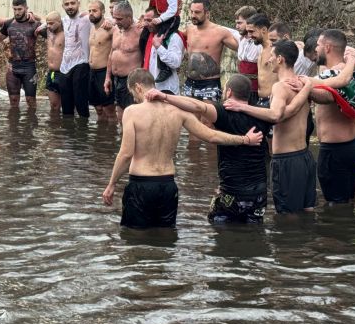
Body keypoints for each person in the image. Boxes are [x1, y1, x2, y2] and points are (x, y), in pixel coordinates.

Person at [101, 69, 263, 229]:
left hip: (141, 185)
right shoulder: (178, 111)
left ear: (137, 87)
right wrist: (245, 139)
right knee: (166, 236)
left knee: (134, 237)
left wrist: (111, 184)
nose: (134, 99)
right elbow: (211, 136)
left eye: (132, 93)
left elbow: (126, 153)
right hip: (168, 185)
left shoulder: (132, 112)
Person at [146, 75, 271, 223]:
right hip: (259, 193)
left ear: (229, 92)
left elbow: (198, 106)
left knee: (219, 227)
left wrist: (165, 96)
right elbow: (279, 114)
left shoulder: (224, 111)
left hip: (233, 191)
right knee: (255, 232)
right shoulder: (265, 114)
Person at [224, 40, 317, 213]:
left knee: (287, 216)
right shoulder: (302, 84)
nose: (269, 61)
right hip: (305, 157)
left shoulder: (280, 87)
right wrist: (308, 88)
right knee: (307, 211)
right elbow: (287, 112)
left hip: (287, 160)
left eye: (272, 56)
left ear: (280, 59)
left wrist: (242, 107)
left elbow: (275, 115)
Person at [310, 30, 355, 205]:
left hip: (335, 151)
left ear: (327, 47)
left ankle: (336, 232)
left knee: (335, 206)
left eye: (318, 45)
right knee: (348, 201)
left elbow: (321, 93)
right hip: (354, 145)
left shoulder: (332, 75)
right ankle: (349, 230)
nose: (315, 49)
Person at [181, 0, 238, 101]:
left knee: (207, 116)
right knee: (187, 116)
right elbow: (174, 37)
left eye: (197, 12)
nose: (193, 15)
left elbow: (241, 48)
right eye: (192, 11)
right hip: (189, 82)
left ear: (207, 13)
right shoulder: (189, 30)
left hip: (209, 84)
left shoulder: (220, 32)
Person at [105, 1, 145, 122]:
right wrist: (107, 77)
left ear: (129, 17)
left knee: (132, 119)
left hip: (131, 81)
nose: (116, 21)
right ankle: (122, 140)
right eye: (114, 18)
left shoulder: (140, 30)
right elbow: (112, 53)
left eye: (119, 19)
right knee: (120, 117)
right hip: (116, 79)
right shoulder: (116, 29)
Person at [0, 0, 40, 108]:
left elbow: (52, 28)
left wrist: (36, 16)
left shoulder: (35, 24)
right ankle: (14, 125)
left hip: (30, 67)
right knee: (13, 101)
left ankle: (31, 125)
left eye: (20, 9)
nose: (17, 12)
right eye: (14, 9)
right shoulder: (8, 24)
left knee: (31, 101)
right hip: (13, 67)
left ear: (26, 8)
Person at [57, 0, 91, 118]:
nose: (70, 6)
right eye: (67, 4)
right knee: (66, 106)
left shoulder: (87, 18)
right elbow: (47, 21)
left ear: (78, 4)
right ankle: (68, 135)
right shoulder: (63, 20)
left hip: (81, 63)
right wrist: (33, 16)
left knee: (81, 102)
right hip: (65, 66)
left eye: (72, 3)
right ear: (63, 6)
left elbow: (107, 19)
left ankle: (82, 134)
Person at [141, 9, 184, 94]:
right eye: (145, 20)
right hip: (150, 89)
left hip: (167, 90)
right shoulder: (149, 36)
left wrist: (159, 47)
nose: (146, 24)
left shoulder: (173, 37)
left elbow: (176, 63)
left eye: (149, 20)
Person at [86, 0, 115, 120]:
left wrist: (111, 22)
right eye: (89, 11)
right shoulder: (92, 28)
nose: (91, 13)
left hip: (104, 72)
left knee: (109, 110)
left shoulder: (110, 28)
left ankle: (110, 137)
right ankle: (100, 137)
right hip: (92, 72)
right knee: (98, 109)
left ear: (103, 12)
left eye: (94, 11)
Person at [246, 13, 277, 107]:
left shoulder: (275, 50)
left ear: (263, 30)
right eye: (248, 32)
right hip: (260, 101)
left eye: (252, 31)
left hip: (273, 101)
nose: (249, 35)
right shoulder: (261, 49)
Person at [235, 6, 262, 101]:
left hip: (256, 91)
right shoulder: (241, 39)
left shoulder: (261, 42)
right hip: (240, 89)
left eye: (239, 23)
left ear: (250, 21)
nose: (237, 26)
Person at [40, 12, 65, 113]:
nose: (49, 26)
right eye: (47, 24)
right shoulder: (48, 32)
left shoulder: (66, 34)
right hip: (51, 73)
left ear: (59, 22)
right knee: (54, 106)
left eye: (51, 23)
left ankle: (67, 128)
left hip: (63, 74)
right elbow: (41, 20)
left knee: (68, 106)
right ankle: (53, 127)